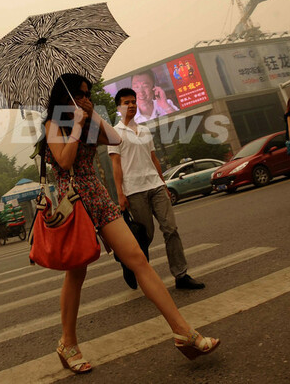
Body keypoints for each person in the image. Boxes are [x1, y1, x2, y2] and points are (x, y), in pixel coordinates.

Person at [42, 73, 219, 374]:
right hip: (73, 202)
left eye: (88, 94)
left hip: (98, 196)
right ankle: (67, 343)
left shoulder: (88, 119)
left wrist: (92, 115)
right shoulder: (54, 124)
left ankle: (183, 331)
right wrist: (77, 126)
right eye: (80, 94)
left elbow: (115, 138)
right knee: (77, 273)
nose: (86, 98)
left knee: (138, 258)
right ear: (65, 96)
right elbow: (65, 161)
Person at [109, 88, 205, 291]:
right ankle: (130, 265)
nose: (132, 105)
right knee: (145, 236)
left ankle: (181, 275)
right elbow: (116, 165)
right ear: (119, 107)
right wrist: (120, 194)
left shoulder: (144, 130)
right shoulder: (114, 133)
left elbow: (154, 159)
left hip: (156, 186)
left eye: (133, 101)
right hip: (134, 190)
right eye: (126, 102)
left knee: (171, 229)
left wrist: (163, 184)